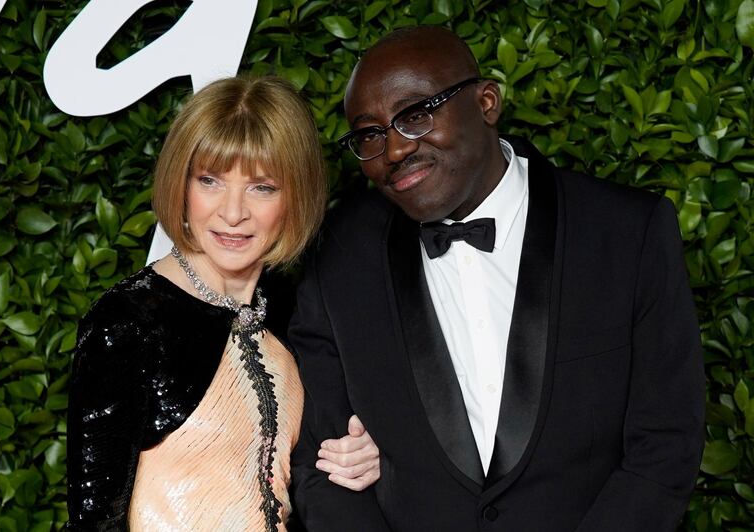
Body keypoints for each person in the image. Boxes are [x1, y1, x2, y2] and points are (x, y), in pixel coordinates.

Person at [289, 26, 705, 531]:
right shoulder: (337, 257)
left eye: (416, 115)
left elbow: (665, 446)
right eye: (370, 134)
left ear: (487, 103)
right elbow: (319, 468)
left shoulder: (626, 233)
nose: (394, 149)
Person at [66, 75, 380, 531]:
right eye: (210, 180)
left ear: (297, 195)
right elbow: (93, 520)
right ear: (182, 184)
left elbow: (317, 458)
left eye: (262, 187)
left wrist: (364, 454)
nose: (233, 213)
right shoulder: (128, 323)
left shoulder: (298, 309)